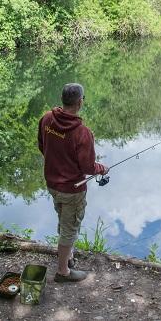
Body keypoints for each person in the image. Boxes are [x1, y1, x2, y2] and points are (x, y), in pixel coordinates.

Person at [38, 83, 108, 282]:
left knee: (64, 219)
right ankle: (63, 272)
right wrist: (101, 168)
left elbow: (42, 146)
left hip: (52, 184)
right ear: (80, 102)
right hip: (72, 189)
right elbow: (87, 167)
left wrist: (57, 164)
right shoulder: (82, 133)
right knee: (70, 227)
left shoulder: (46, 119)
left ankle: (67, 257)